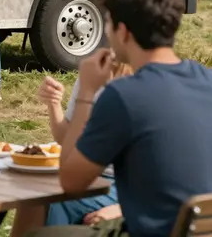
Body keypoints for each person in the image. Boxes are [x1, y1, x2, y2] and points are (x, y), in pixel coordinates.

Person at [36, 0, 212, 237]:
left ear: (123, 31)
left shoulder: (124, 95)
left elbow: (70, 181)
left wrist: (87, 92)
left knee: (39, 235)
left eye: (108, 23)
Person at [11, 62, 133, 237]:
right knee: (34, 196)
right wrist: (53, 104)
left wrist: (122, 208)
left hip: (124, 187)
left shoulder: (150, 83)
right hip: (86, 176)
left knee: (53, 201)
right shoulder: (93, 71)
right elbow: (67, 139)